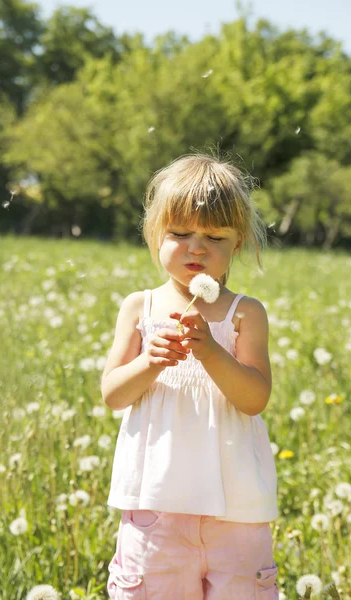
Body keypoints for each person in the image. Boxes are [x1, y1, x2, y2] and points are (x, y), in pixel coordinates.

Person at [101, 153, 279, 599]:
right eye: (180, 234)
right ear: (156, 235)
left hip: (235, 508)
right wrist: (149, 362)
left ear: (237, 244)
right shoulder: (139, 307)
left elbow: (254, 398)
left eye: (214, 236)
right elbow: (113, 394)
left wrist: (213, 353)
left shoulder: (245, 314)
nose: (196, 248)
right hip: (157, 505)